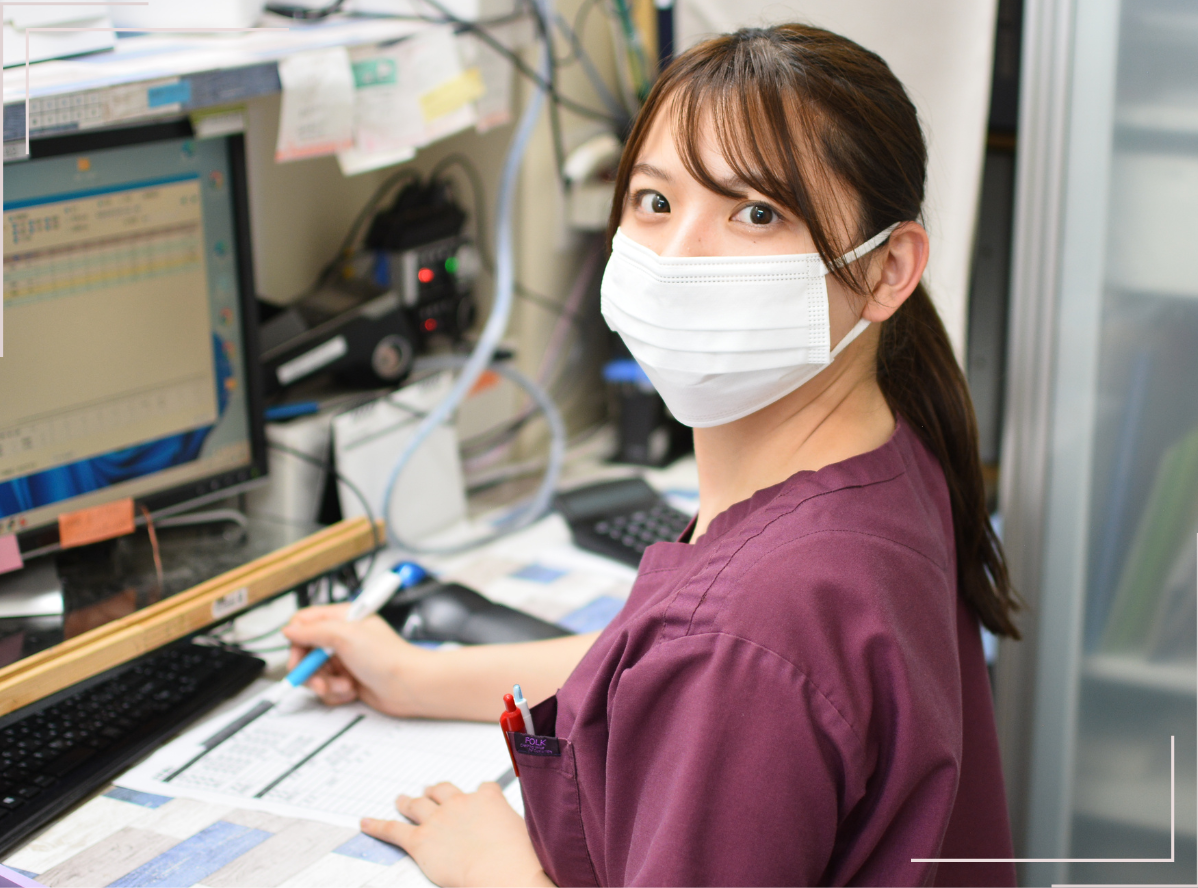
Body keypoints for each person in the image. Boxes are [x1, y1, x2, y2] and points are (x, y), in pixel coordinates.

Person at [282, 23, 1022, 887]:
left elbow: (727, 668)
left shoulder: (754, 623)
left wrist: (498, 871)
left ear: (889, 268)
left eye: (756, 213)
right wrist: (414, 676)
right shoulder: (889, 450)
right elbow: (661, 673)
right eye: (656, 201)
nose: (676, 258)